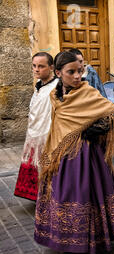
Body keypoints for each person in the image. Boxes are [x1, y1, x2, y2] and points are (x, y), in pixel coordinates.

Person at [34, 51, 114, 254]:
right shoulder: (54, 95)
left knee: (86, 193)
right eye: (71, 72)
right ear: (58, 73)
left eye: (80, 71)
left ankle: (94, 240)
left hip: (86, 154)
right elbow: (58, 123)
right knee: (63, 194)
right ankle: (67, 241)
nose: (77, 76)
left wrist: (93, 131)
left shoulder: (88, 93)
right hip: (60, 152)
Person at [14, 52, 58, 201]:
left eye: (41, 66)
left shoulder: (56, 86)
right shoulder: (39, 85)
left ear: (51, 67)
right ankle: (40, 196)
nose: (36, 69)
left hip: (48, 136)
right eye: (34, 66)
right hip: (34, 135)